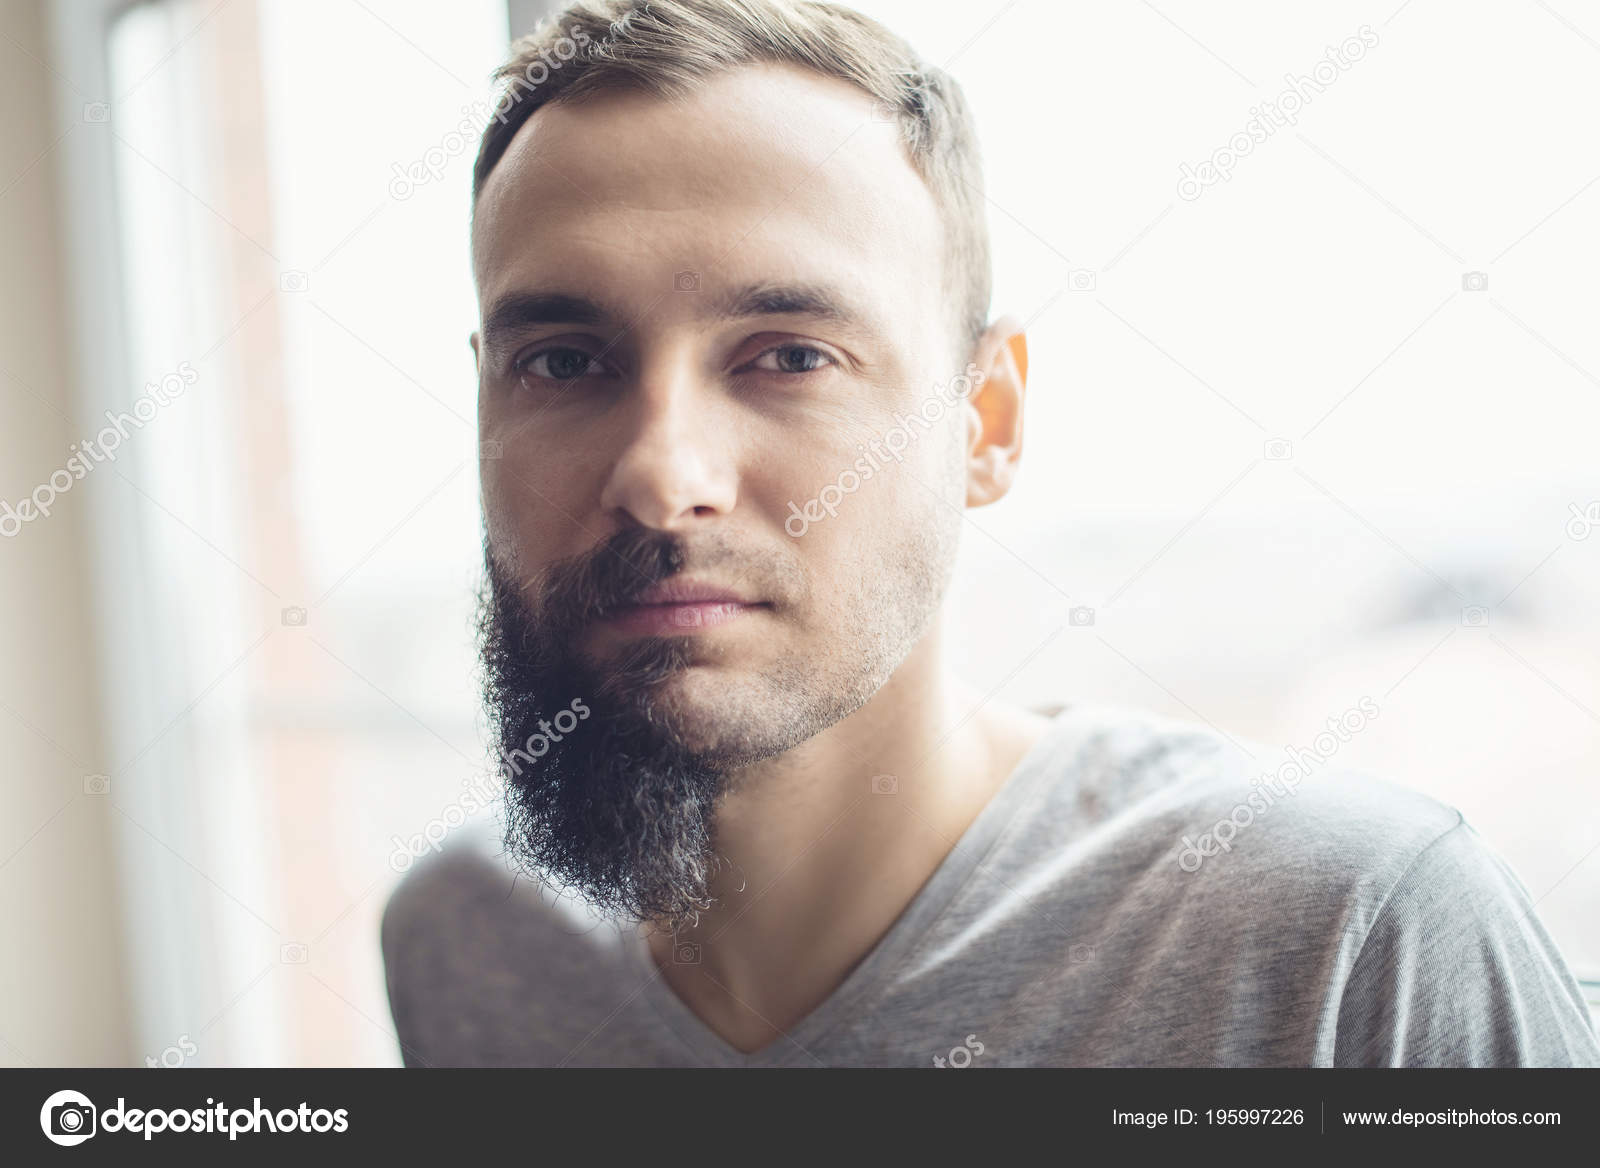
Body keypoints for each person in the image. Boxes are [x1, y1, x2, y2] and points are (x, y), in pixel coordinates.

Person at [380, 0, 1600, 1067]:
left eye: (792, 355)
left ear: (986, 420)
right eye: (563, 361)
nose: (662, 475)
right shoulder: (465, 944)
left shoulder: (1348, 937)